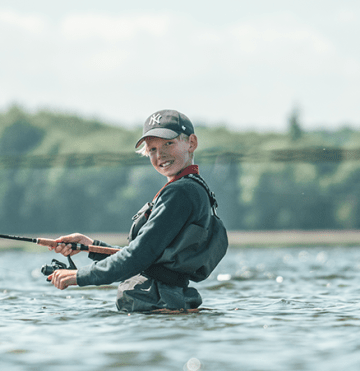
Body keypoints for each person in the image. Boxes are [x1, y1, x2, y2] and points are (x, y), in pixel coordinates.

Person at [48, 109, 228, 313]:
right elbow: (149, 260)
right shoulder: (192, 188)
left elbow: (139, 256)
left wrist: (78, 276)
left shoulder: (181, 192)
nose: (160, 154)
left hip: (157, 306)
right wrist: (91, 247)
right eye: (152, 149)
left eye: (168, 143)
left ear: (191, 143)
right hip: (167, 304)